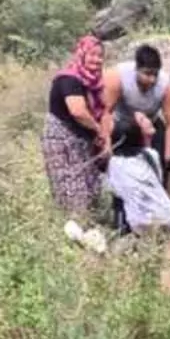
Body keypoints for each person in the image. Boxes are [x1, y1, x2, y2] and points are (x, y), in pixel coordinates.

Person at [42, 34, 110, 214]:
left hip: (83, 141)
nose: (97, 60)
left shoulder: (96, 83)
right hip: (62, 140)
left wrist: (105, 138)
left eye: (100, 56)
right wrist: (98, 131)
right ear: (81, 54)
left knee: (91, 187)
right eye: (92, 54)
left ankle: (90, 226)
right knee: (70, 188)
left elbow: (104, 110)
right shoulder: (68, 79)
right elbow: (78, 111)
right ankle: (74, 230)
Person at [104, 43, 170, 179]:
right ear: (137, 68)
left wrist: (167, 157)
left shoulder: (167, 86)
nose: (152, 79)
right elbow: (105, 113)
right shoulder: (117, 76)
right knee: (126, 167)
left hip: (151, 122)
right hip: (123, 123)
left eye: (155, 75)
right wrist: (106, 144)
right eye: (147, 74)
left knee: (158, 162)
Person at [106, 123, 170, 236]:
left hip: (141, 223)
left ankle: (122, 229)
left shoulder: (115, 163)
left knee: (119, 197)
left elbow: (115, 190)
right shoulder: (152, 154)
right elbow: (158, 179)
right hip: (167, 216)